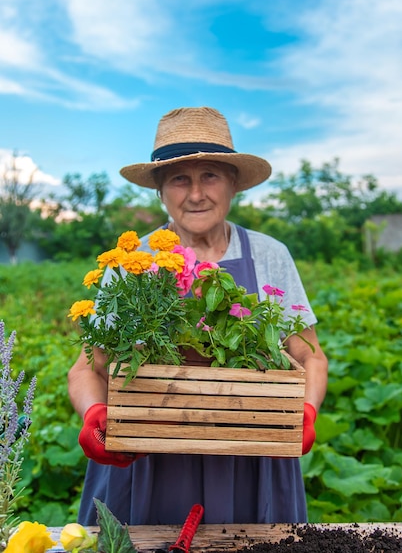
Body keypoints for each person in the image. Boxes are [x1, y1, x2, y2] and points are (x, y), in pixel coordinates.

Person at [68, 106, 328, 526]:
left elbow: (310, 354)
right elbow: (88, 365)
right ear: (159, 190)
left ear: (232, 184)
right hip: (148, 457)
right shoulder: (132, 262)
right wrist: (95, 415)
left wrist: (306, 411)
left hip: (250, 457)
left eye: (209, 175)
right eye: (178, 179)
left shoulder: (268, 255)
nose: (195, 194)